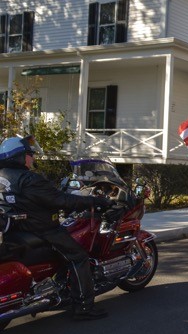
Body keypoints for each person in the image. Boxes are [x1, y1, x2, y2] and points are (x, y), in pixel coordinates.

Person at [0, 135, 114, 320]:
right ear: (19, 156)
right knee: (78, 256)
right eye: (29, 154)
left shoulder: (3, 175)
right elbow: (61, 200)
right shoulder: (29, 179)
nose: (32, 157)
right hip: (43, 230)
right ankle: (84, 306)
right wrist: (94, 201)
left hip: (17, 229)